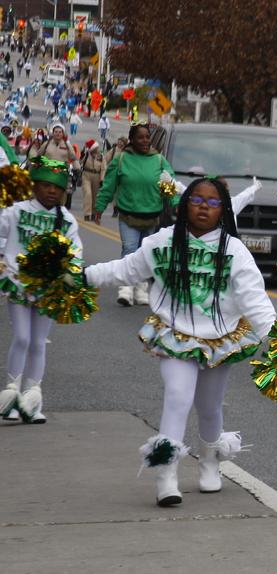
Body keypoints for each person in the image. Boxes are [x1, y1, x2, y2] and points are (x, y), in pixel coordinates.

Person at [83, 178, 276, 507]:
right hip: (176, 336)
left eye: (213, 202)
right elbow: (126, 270)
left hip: (220, 338)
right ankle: (166, 474)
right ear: (184, 203)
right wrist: (84, 275)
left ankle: (210, 461)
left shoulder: (234, 251)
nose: (204, 206)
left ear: (223, 210)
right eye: (197, 199)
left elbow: (255, 300)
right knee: (177, 395)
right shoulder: (163, 242)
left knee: (209, 407)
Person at [0, 158, 80, 424]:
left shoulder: (67, 220)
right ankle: (10, 397)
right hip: (18, 283)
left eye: (57, 188)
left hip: (49, 289)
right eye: (46, 186)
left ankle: (31, 400)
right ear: (33, 186)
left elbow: (75, 251)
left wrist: (71, 274)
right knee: (22, 338)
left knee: (38, 342)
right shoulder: (16, 211)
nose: (52, 191)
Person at [94, 123, 178, 307]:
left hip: (151, 217)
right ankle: (125, 289)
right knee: (130, 250)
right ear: (132, 140)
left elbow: (169, 187)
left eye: (147, 137)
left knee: (146, 253)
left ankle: (141, 291)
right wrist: (99, 207)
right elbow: (108, 186)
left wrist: (177, 205)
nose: (145, 141)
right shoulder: (122, 159)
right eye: (140, 137)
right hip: (128, 216)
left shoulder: (159, 160)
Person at [80, 139, 106, 222]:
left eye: (97, 147)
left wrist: (102, 179)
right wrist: (82, 154)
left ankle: (94, 213)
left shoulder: (101, 156)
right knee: (88, 194)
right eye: (96, 148)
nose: (97, 149)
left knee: (95, 196)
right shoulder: (86, 155)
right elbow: (80, 162)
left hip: (97, 176)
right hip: (86, 175)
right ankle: (87, 214)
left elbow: (103, 168)